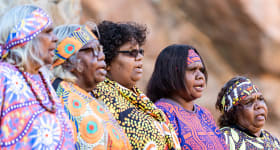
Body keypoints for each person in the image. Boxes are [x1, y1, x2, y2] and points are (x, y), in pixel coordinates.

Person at [92, 21, 181, 150]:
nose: (139, 57)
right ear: (108, 60)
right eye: (131, 53)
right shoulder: (99, 95)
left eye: (140, 52)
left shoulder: (139, 98)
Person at [0, 5, 75, 149]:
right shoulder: (3, 76)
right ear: (24, 37)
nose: (55, 38)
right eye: (47, 32)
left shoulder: (42, 79)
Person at [51, 24, 131, 149]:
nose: (102, 56)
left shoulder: (88, 96)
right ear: (67, 63)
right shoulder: (63, 97)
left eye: (100, 49)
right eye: (92, 50)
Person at [146, 44, 228, 150]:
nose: (200, 76)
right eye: (192, 69)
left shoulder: (204, 114)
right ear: (172, 74)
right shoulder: (161, 114)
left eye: (201, 70)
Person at [215, 76, 280, 149]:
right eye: (249, 102)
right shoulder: (224, 138)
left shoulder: (272, 141)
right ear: (233, 112)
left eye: (261, 99)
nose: (259, 105)